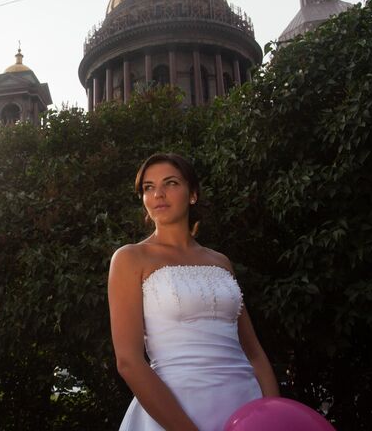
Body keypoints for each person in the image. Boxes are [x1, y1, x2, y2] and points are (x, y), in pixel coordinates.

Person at [108, 153, 279, 431]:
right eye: (148, 187)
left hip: (245, 405)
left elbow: (254, 353)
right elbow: (128, 361)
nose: (158, 194)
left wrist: (274, 414)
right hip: (175, 409)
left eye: (170, 183)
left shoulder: (220, 262)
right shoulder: (130, 259)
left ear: (193, 194)